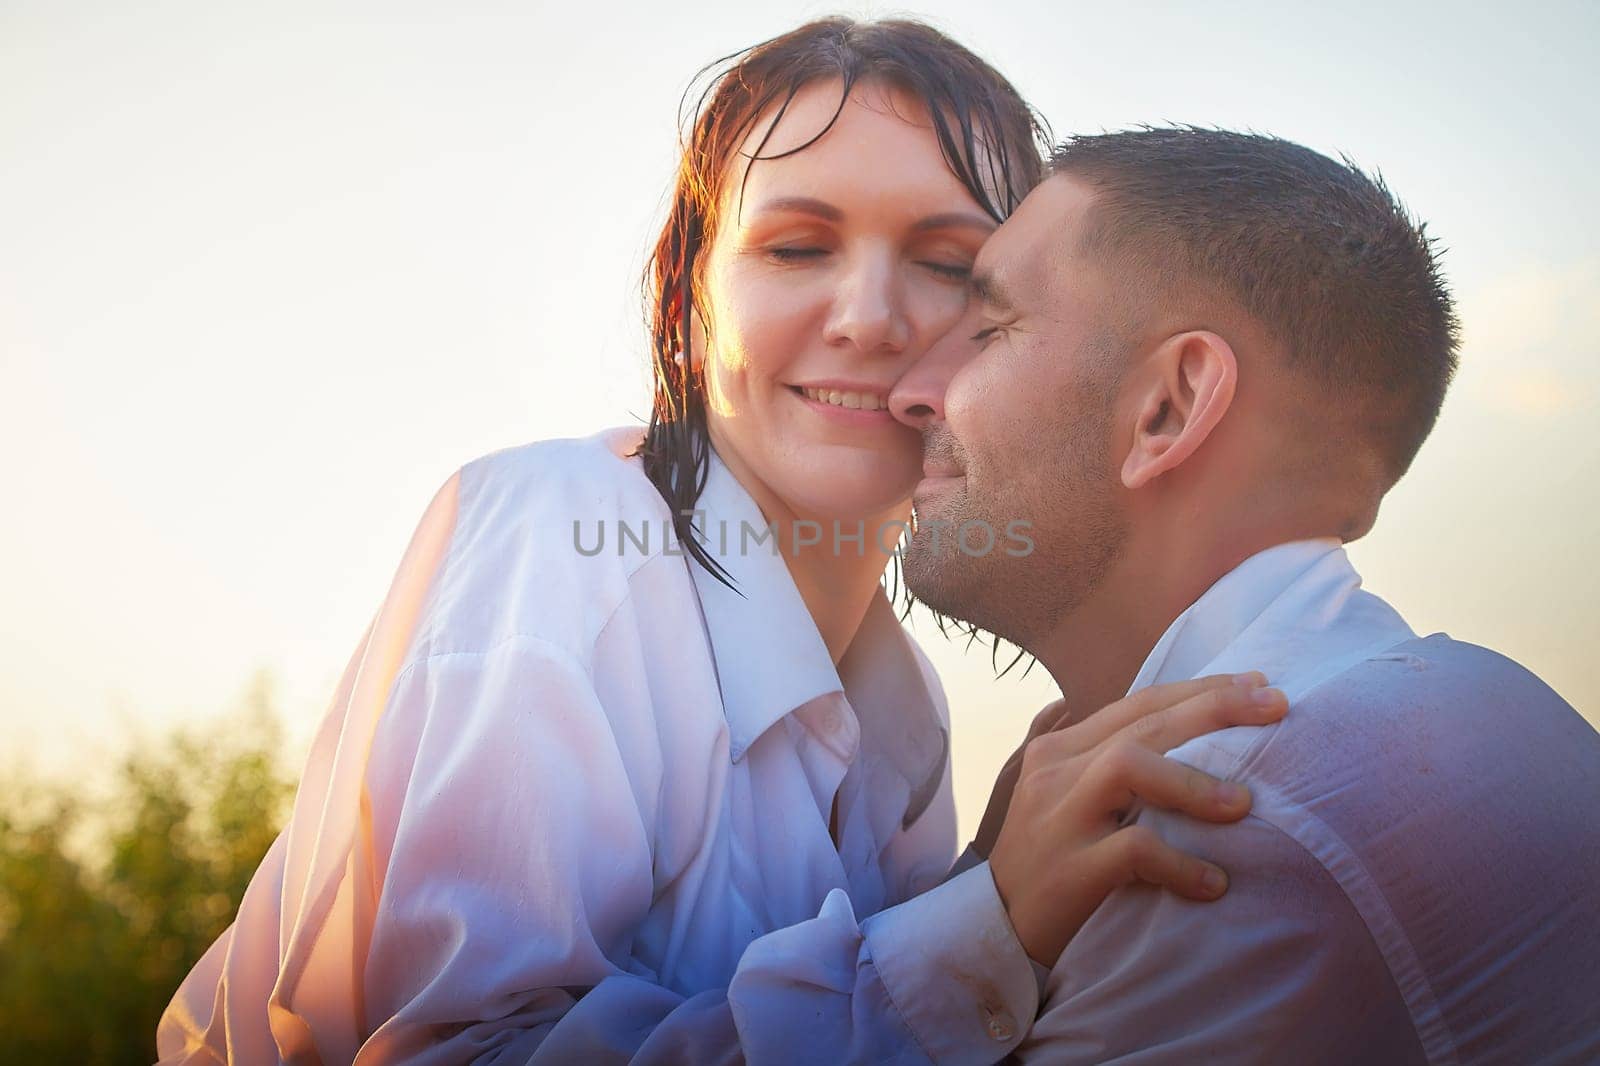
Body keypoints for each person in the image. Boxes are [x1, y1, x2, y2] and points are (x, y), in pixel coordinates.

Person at [156, 23, 1286, 1064]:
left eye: (950, 263)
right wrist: (980, 926)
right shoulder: (564, 540)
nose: (869, 317)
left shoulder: (911, 716)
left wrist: (991, 886)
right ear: (687, 309)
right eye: (795, 247)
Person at [889, 126, 1600, 1063]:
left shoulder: (1238, 812)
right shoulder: (1444, 706)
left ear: (1169, 407)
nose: (910, 391)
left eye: (988, 329)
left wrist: (971, 928)